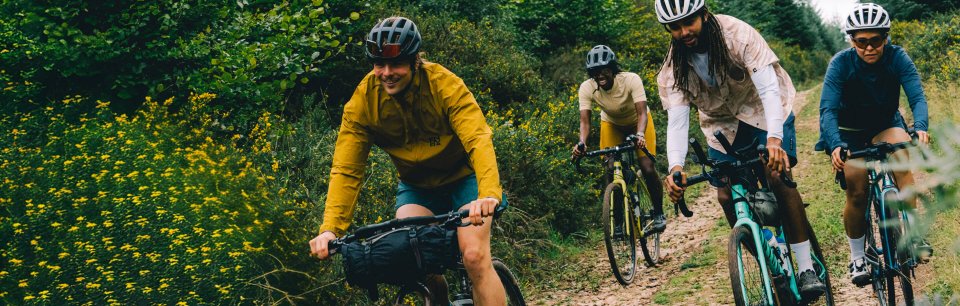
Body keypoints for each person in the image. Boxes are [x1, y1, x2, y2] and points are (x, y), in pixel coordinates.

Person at [307, 16, 507, 304]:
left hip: (465, 179)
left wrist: (488, 194)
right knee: (415, 261)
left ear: (415, 61)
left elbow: (478, 139)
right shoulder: (363, 101)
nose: (387, 72)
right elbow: (347, 170)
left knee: (474, 257)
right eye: (379, 64)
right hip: (418, 187)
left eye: (396, 63)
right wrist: (330, 229)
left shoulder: (444, 85)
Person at [654, 0, 827, 297]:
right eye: (675, 27)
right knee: (725, 195)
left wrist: (774, 140)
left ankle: (804, 267)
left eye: (689, 22)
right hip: (722, 127)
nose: (683, 32)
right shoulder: (673, 70)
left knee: (777, 174)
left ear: (704, 15)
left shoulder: (738, 35)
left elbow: (769, 91)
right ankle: (769, 257)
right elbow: (678, 124)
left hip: (764, 111)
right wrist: (676, 167)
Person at [815, 3, 932, 286]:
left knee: (901, 160)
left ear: (886, 38)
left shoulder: (897, 57)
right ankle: (857, 257)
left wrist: (921, 128)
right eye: (861, 41)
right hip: (849, 131)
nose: (869, 48)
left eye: (876, 40)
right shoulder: (841, 64)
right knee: (856, 188)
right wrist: (835, 144)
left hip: (885, 124)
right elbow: (828, 110)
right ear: (852, 41)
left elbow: (916, 96)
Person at [571, 45, 667, 233]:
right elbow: (585, 122)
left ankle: (658, 213)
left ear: (613, 69)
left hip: (637, 122)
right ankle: (618, 222)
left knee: (647, 167)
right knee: (609, 168)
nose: (600, 75)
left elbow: (642, 114)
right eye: (595, 72)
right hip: (611, 124)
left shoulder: (631, 80)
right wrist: (581, 143)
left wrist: (640, 134)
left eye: (604, 70)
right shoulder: (587, 88)